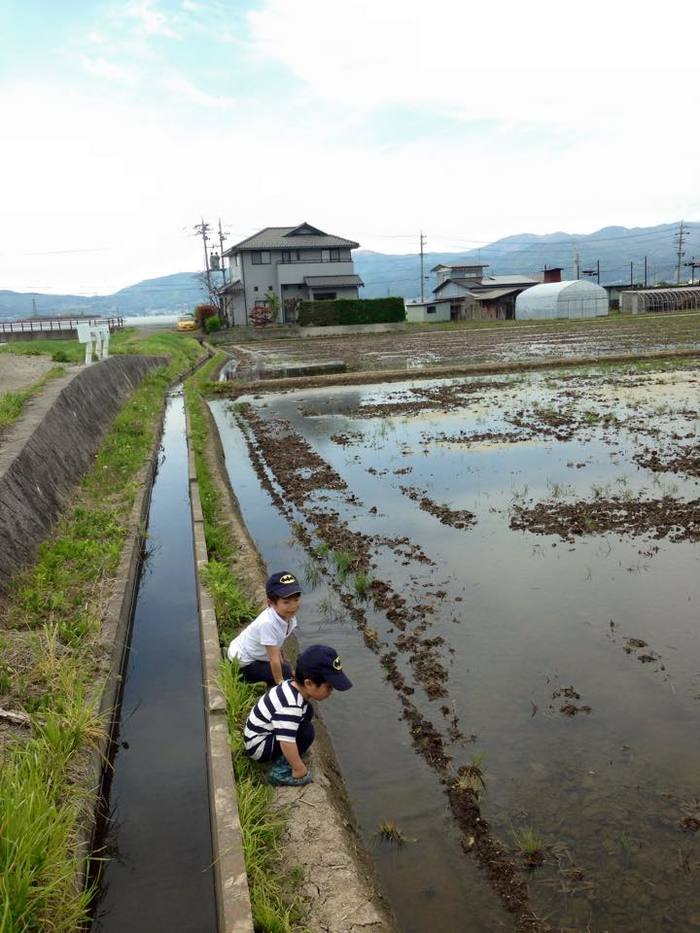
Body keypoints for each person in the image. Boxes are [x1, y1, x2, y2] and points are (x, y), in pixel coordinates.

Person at [243, 644, 353, 787]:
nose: (331, 691)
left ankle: (290, 756)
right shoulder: (290, 705)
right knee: (306, 733)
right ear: (308, 683)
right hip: (259, 746)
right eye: (329, 687)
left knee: (307, 712)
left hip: (263, 735)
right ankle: (280, 771)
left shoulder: (291, 685)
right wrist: (299, 768)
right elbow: (286, 742)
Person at [227, 571, 302, 686]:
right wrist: (281, 684)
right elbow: (273, 660)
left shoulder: (289, 618)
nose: (293, 606)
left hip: (251, 653)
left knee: (286, 668)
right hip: (242, 664)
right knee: (286, 674)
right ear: (270, 603)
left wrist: (283, 664)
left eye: (296, 600)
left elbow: (277, 646)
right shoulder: (268, 624)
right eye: (286, 602)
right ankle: (246, 681)